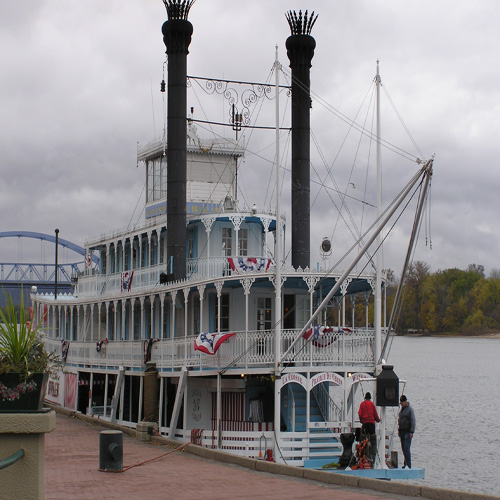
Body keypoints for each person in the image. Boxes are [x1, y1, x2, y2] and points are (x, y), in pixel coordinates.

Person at [358, 392, 380, 463]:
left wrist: (362, 420)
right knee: (373, 441)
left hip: (365, 424)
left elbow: (360, 414)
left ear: (365, 397)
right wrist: (378, 420)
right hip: (372, 425)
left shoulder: (362, 404)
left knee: (363, 440)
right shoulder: (372, 404)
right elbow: (375, 415)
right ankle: (374, 457)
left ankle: (364, 456)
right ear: (370, 398)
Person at [398, 394, 416, 468]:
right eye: (401, 403)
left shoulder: (410, 410)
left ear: (405, 402)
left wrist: (411, 431)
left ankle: (409, 465)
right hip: (402, 432)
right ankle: (405, 464)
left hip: (407, 433)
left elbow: (413, 421)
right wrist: (399, 430)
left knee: (406, 448)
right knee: (403, 449)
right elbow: (399, 421)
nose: (401, 404)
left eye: (402, 403)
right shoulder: (402, 410)